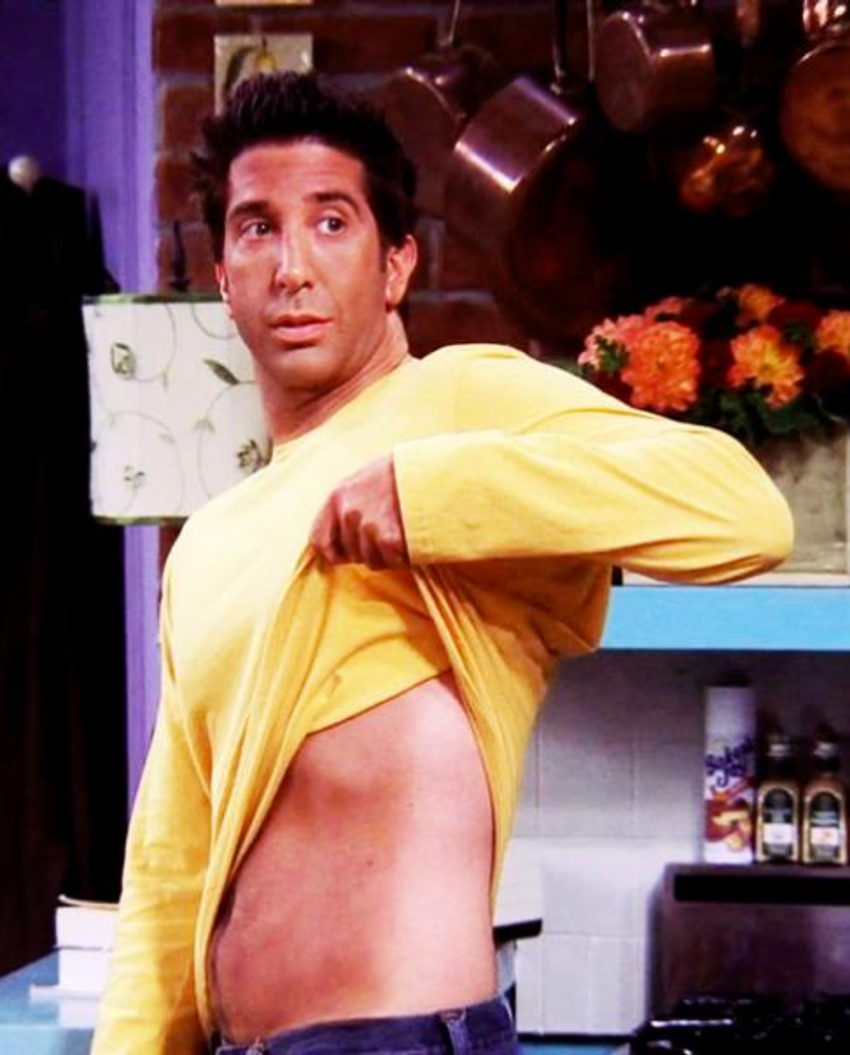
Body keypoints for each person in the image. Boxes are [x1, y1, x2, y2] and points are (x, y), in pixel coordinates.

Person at [92, 72, 793, 1055]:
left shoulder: (459, 400)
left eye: (330, 222)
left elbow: (741, 510)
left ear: (395, 266)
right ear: (223, 278)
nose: (291, 266)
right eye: (256, 228)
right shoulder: (208, 539)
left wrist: (432, 493)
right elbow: (173, 859)